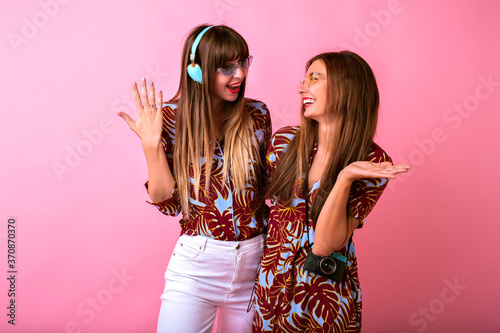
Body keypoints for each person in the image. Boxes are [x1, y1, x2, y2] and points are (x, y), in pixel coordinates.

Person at [118, 24, 272, 333]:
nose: (239, 74)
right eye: (226, 66)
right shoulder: (170, 119)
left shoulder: (257, 115)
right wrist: (151, 145)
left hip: (255, 264)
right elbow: (168, 203)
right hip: (197, 268)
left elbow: (265, 190)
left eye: (243, 62)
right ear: (196, 71)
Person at [252, 51, 411, 332]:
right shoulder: (283, 143)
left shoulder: (372, 162)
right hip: (271, 294)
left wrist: (345, 178)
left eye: (315, 78)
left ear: (346, 87)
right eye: (304, 79)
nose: (303, 87)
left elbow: (325, 244)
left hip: (327, 301)